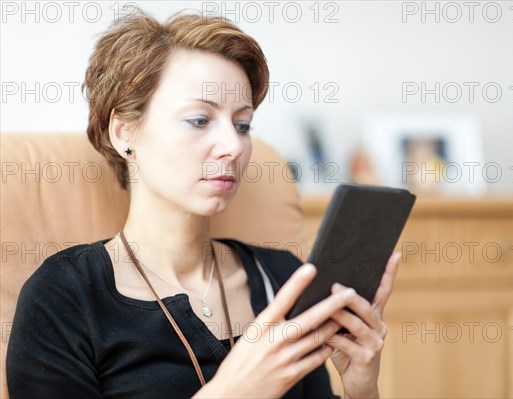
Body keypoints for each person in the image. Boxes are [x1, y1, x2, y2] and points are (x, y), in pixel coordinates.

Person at [6, 10, 401, 399]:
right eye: (199, 119)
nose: (233, 147)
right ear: (124, 132)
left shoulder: (283, 278)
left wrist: (361, 388)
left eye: (243, 125)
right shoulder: (63, 298)